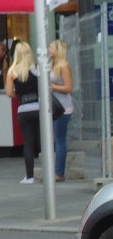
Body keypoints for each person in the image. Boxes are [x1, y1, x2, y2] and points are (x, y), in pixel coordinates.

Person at [5, 41, 42, 184]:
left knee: (28, 143)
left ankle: (29, 176)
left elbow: (9, 93)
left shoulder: (12, 71)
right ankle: (50, 172)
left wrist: (20, 97)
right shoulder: (37, 69)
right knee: (43, 142)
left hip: (24, 109)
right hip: (39, 108)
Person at [49, 38, 74, 180]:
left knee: (59, 138)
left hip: (63, 107)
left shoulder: (63, 66)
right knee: (55, 138)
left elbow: (69, 87)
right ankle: (57, 170)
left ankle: (59, 172)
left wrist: (52, 87)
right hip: (53, 106)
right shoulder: (51, 65)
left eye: (51, 48)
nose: (49, 50)